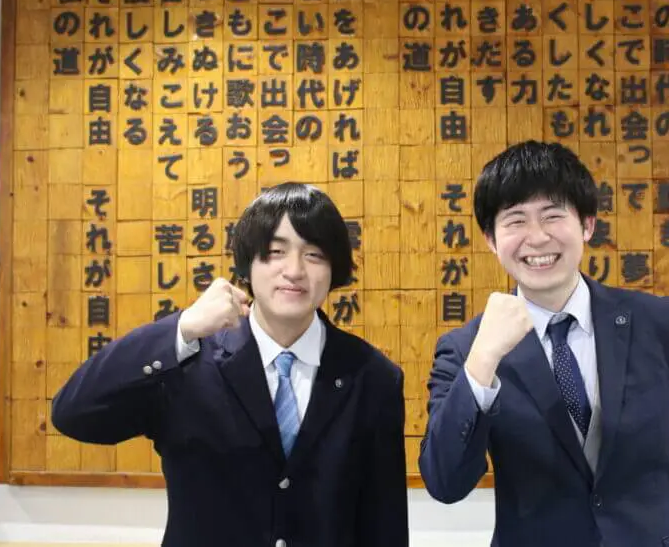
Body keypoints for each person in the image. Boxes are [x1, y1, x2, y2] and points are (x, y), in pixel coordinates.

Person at [419, 140, 669, 547]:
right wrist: (482, 362)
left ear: (587, 225)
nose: (537, 237)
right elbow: (445, 482)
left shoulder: (659, 323)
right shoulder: (466, 349)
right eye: (515, 220)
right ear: (491, 239)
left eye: (553, 215)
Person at [52, 182, 408, 547]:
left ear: (335, 268)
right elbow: (74, 414)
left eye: (314, 254)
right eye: (275, 251)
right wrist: (180, 329)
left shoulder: (373, 377)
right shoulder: (189, 361)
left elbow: (385, 523)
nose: (294, 270)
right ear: (247, 263)